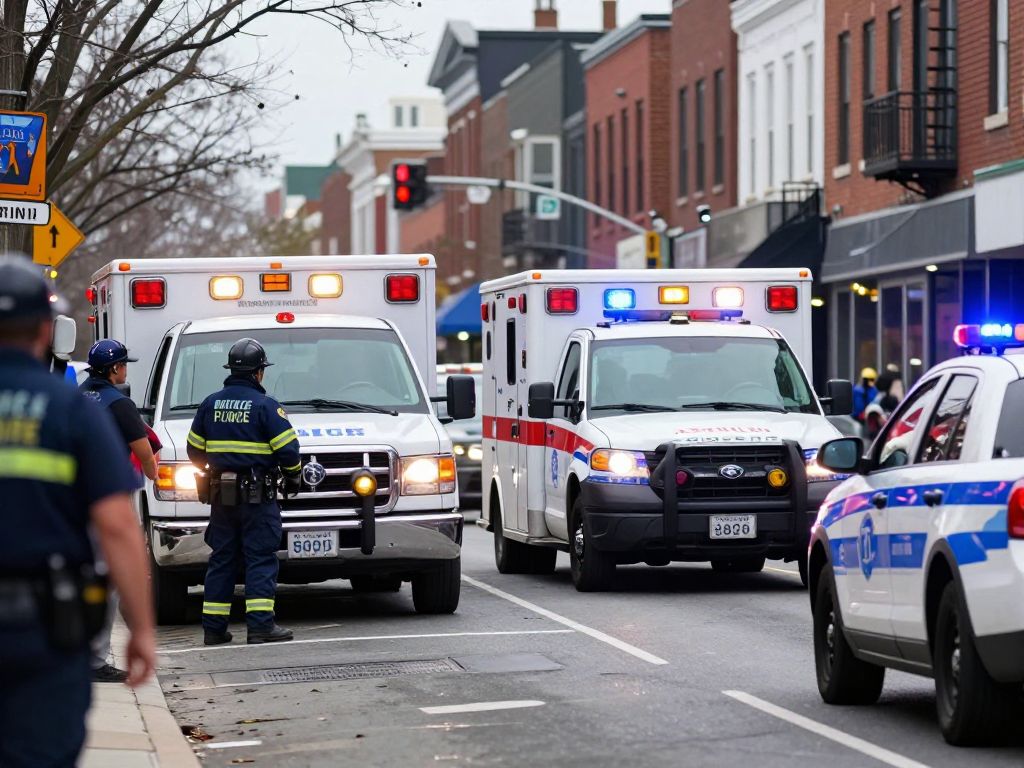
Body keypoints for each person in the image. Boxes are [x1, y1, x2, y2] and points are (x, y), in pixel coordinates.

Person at [0, 256, 155, 767]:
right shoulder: (72, 410)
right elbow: (115, 526)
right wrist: (143, 631)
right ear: (47, 331)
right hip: (44, 624)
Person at [187, 338, 302, 646]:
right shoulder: (266, 406)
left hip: (221, 498)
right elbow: (288, 452)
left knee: (222, 559)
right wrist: (293, 478)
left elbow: (194, 450)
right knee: (260, 558)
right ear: (258, 373)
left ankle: (214, 629)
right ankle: (261, 626)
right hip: (256, 498)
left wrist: (218, 467)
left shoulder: (210, 404)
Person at [80, 339, 159, 683]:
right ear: (114, 369)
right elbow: (143, 451)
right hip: (108, 498)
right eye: (124, 364)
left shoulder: (78, 396)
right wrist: (154, 474)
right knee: (110, 575)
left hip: (73, 499)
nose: (126, 369)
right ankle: (96, 658)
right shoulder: (119, 403)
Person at [864, 370, 904, 440]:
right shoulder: (887, 403)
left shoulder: (879, 399)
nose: (901, 389)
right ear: (890, 387)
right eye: (898, 387)